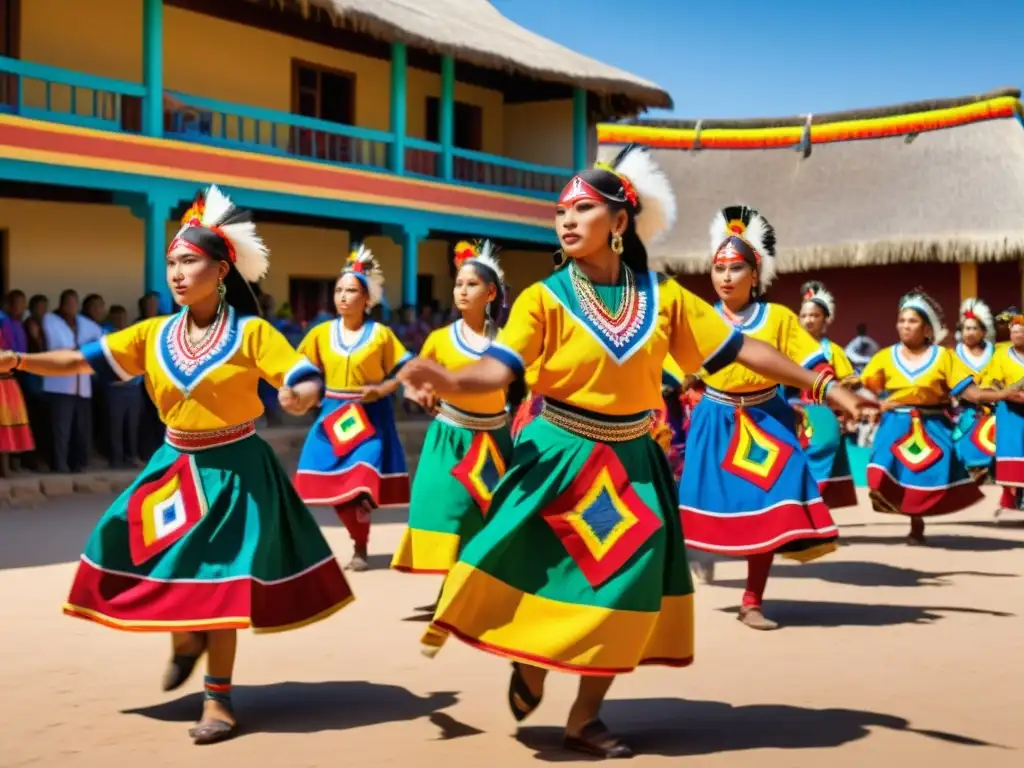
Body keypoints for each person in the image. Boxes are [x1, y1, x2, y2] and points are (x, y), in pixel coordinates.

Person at [397, 147, 866, 758]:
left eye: (583, 209)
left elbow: (740, 350)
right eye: (561, 212)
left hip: (631, 466)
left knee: (630, 585)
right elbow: (498, 370)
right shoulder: (543, 299)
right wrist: (448, 379)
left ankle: (585, 716)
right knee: (531, 564)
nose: (566, 221)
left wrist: (827, 386)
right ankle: (533, 664)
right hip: (555, 459)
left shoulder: (665, 297)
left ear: (619, 223)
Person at [0, 185, 352, 745]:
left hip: (238, 470)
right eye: (171, 263)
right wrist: (17, 359)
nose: (177, 272)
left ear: (220, 270)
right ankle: (185, 638)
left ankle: (219, 698)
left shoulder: (250, 332)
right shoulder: (153, 333)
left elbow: (300, 373)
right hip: (174, 466)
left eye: (189, 261)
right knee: (130, 542)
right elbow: (76, 361)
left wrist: (301, 394)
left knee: (225, 582)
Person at [678, 207, 847, 632]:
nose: (726, 277)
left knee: (779, 494)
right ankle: (687, 569)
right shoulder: (700, 318)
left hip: (769, 417)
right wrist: (683, 387)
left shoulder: (779, 319)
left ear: (755, 274)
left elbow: (813, 363)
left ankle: (752, 599)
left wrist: (844, 394)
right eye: (719, 269)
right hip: (715, 419)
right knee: (705, 504)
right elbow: (675, 368)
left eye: (736, 268)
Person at [391, 240, 514, 600]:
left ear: (491, 292)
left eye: (471, 284)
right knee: (447, 509)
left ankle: (469, 588)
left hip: (495, 440)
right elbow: (414, 382)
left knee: (485, 515)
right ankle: (454, 585)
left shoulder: (508, 343)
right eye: (458, 283)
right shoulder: (439, 339)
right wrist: (422, 395)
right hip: (451, 438)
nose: (462, 290)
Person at [860, 290, 1021, 544]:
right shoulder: (884, 357)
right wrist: (865, 405)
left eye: (912, 321)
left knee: (926, 475)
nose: (905, 326)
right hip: (895, 423)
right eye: (901, 321)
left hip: (932, 424)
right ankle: (910, 514)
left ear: (926, 329)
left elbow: (970, 392)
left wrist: (1002, 395)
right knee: (878, 471)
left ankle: (916, 522)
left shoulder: (943, 357)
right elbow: (865, 390)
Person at [293, 245, 411, 571]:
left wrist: (382, 389)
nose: (343, 297)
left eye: (352, 291)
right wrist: (300, 394)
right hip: (332, 415)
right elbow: (300, 371)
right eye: (339, 290)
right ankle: (355, 534)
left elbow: (404, 369)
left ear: (367, 299)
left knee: (360, 483)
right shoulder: (319, 333)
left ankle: (361, 545)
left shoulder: (381, 335)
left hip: (369, 417)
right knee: (332, 489)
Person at [793, 281, 860, 509]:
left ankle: (815, 513)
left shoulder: (833, 351)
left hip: (823, 414)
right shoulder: (789, 348)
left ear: (825, 319)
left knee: (821, 462)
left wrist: (843, 409)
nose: (809, 320)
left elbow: (848, 382)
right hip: (795, 413)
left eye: (815, 315)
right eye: (804, 315)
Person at [41, 290, 103, 473]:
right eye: (69, 303)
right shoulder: (51, 320)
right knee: (61, 429)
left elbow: (100, 337)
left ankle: (78, 463)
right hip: (60, 385)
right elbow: (56, 346)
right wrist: (81, 349)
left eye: (75, 303)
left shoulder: (82, 322)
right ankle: (60, 464)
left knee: (81, 427)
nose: (72, 307)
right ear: (62, 304)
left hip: (81, 385)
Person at [982, 313, 1024, 520]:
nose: (1018, 335)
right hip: (1010, 411)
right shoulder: (1000, 354)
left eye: (1021, 331)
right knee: (1013, 454)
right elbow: (994, 381)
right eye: (1014, 331)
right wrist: (1012, 394)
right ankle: (1009, 501)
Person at [952, 299, 997, 480]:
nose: (969, 333)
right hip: (965, 414)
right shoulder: (954, 355)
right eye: (966, 328)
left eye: (973, 328)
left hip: (993, 414)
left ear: (983, 331)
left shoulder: (994, 353)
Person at [102, 305, 143, 469]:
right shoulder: (106, 336)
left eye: (123, 317)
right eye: (117, 317)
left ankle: (132, 456)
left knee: (132, 425)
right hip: (115, 388)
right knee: (115, 425)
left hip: (133, 387)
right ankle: (116, 459)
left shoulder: (131, 334)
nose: (121, 320)